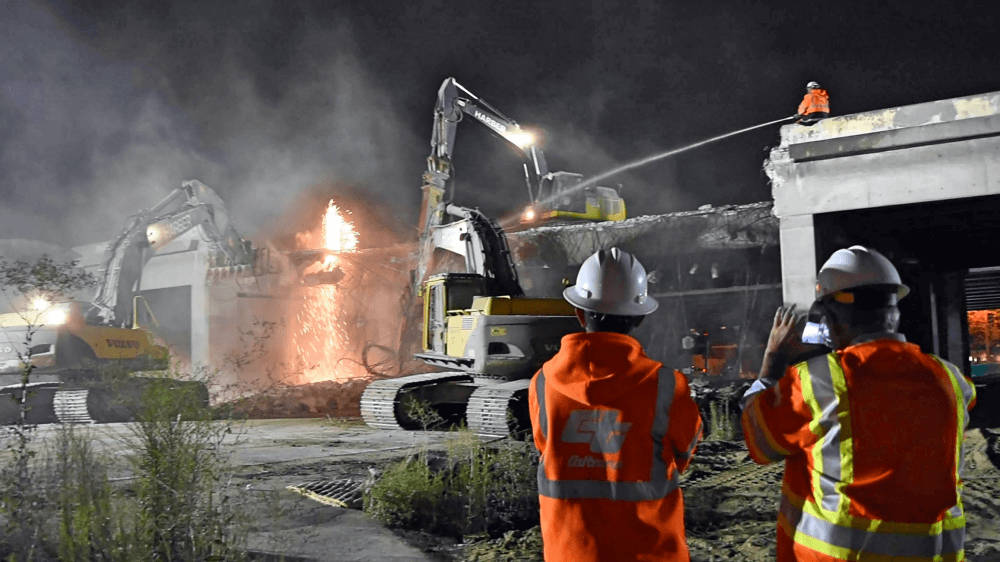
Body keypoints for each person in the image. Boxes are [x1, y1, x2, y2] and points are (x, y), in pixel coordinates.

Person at [741, 245, 977, 561]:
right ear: (893, 311)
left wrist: (772, 362)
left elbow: (760, 440)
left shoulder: (818, 381)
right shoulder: (950, 378)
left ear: (830, 316)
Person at [529, 247, 703, 562]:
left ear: (580, 313)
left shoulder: (543, 382)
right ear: (638, 318)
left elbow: (547, 450)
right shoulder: (666, 385)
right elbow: (683, 453)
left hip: (569, 553)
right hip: (649, 553)